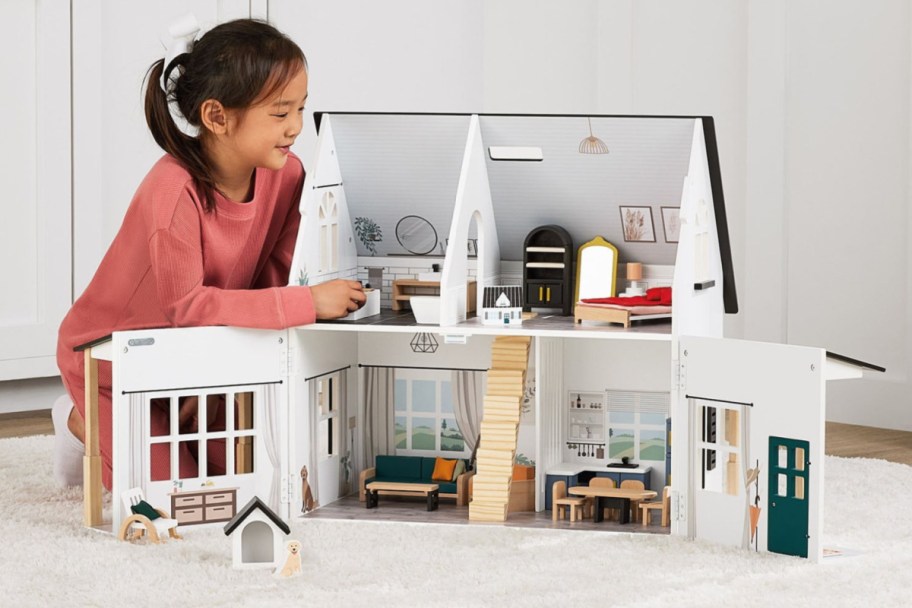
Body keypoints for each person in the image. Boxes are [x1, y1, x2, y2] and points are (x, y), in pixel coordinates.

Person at [53, 18, 365, 489]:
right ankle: (79, 421)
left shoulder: (288, 175)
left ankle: (151, 420)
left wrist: (223, 371)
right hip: (115, 358)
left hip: (200, 343)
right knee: (166, 499)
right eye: (280, 114)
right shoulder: (172, 192)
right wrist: (309, 303)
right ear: (217, 117)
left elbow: (273, 277)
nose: (297, 127)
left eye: (301, 108)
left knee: (239, 481)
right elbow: (188, 308)